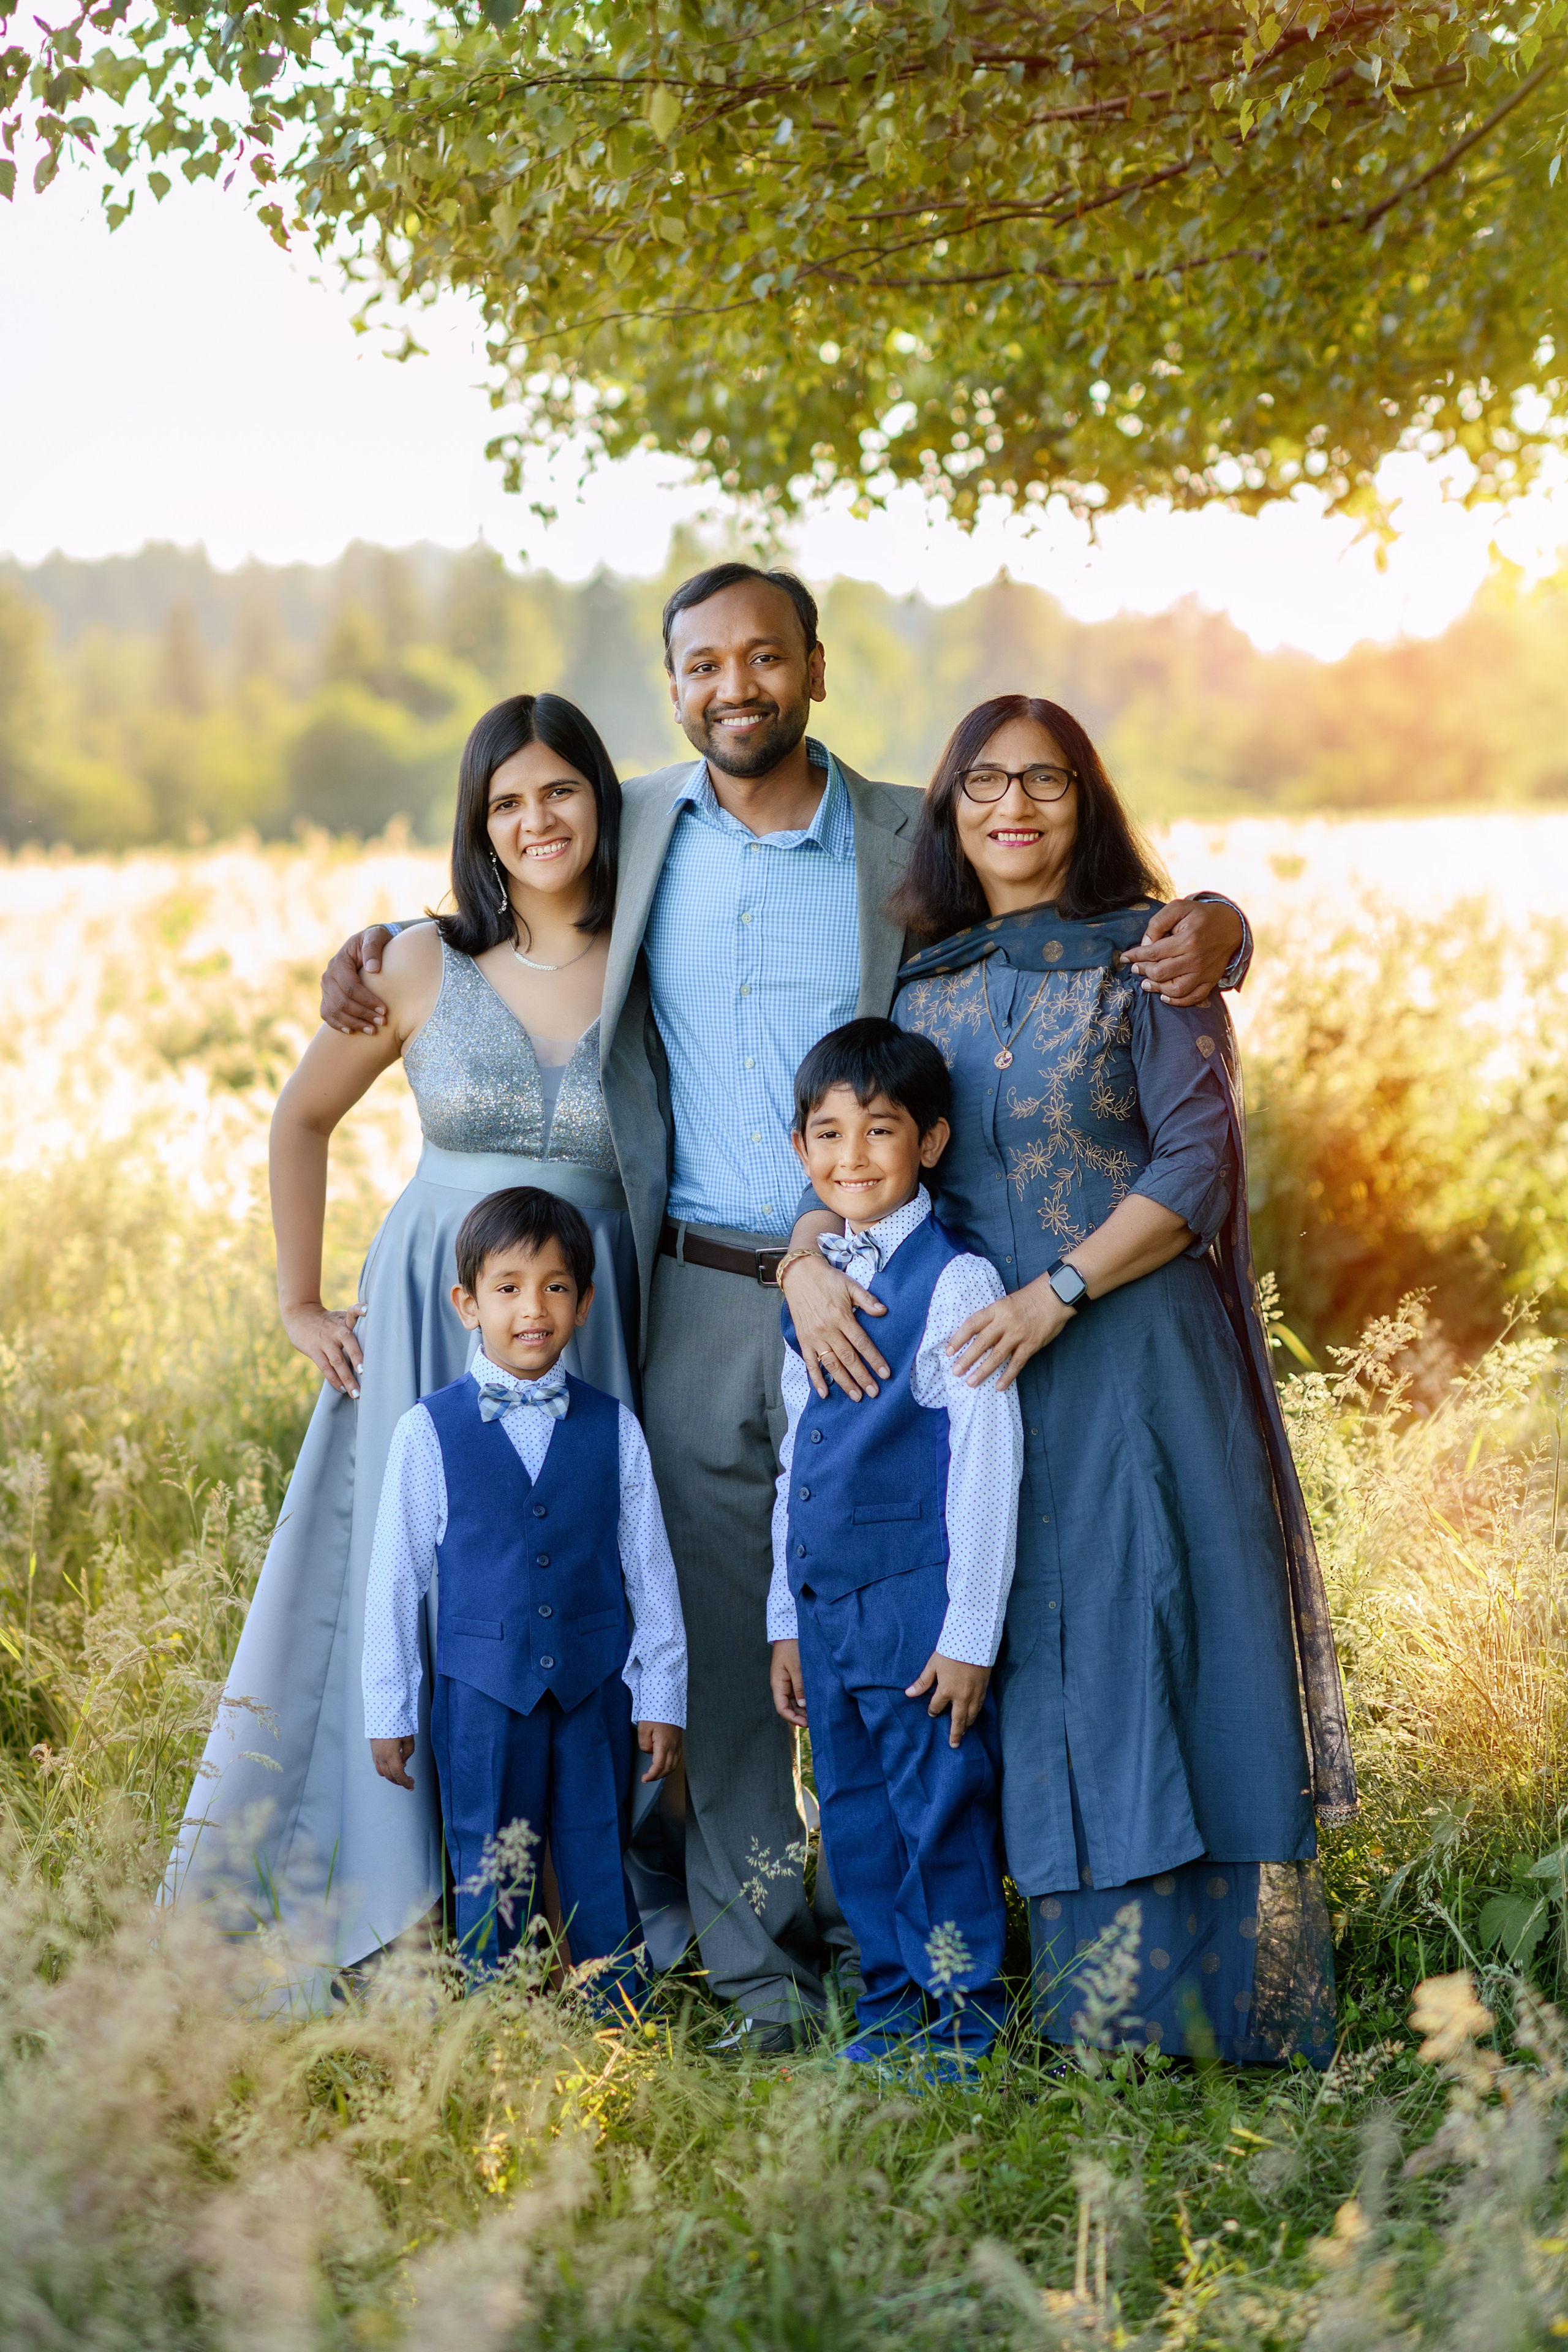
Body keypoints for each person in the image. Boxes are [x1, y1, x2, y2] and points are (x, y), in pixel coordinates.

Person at [319, 564, 1253, 2051]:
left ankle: (940, 1945)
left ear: (814, 669)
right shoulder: (630, 828)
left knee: (929, 1609)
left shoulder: (906, 826)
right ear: (672, 682)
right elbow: (514, 865)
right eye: (703, 664)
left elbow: (1074, 903)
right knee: (724, 1651)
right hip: (698, 1288)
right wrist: (373, 954)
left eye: (765, 658)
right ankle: (760, 1967)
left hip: (895, 1300)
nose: (734, 686)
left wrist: (1221, 920)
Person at [864, 693, 1355, 2064]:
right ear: (949, 811)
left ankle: (1192, 2015)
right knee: (1037, 1657)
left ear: (1084, 804)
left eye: (1046, 782)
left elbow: (1193, 1167)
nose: (1012, 807)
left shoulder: (1149, 960)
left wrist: (1061, 1290)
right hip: (984, 1376)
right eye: (982, 784)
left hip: (1131, 1348)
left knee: (1160, 1647)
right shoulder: (918, 980)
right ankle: (1076, 2005)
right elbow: (872, 1149)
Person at [164, 692, 676, 1997]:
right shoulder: (408, 963)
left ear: (599, 804)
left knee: (581, 1578)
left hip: (596, 1296)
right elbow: (297, 1124)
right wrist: (299, 1302)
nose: (535, 820)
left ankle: (584, 1908)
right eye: (506, 802)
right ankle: (401, 1908)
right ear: (478, 825)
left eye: (559, 792)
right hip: (432, 1302)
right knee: (413, 1580)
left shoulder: (650, 948)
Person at [767, 1020, 1021, 2072]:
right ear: (800, 1152)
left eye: (880, 1130)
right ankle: (886, 2007)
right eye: (828, 1134)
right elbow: (799, 1460)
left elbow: (985, 1464)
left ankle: (964, 2025)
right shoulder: (813, 1283)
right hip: (829, 1614)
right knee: (859, 1819)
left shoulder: (955, 1281)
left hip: (918, 1613)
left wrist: (969, 1633)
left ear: (932, 1141)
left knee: (938, 1815)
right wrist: (785, 1618)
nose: (853, 1157)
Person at [363, 1186, 685, 1989]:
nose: (531, 1309)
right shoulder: (425, 1430)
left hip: (592, 1691)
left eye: (555, 1287)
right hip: (480, 1699)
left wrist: (661, 1697)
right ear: (467, 1305)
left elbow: (650, 1570)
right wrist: (390, 1709)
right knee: (487, 1862)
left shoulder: (615, 1429)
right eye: (507, 1288)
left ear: (583, 1303)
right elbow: (396, 1579)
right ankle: (493, 2024)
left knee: (594, 1853)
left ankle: (617, 2023)